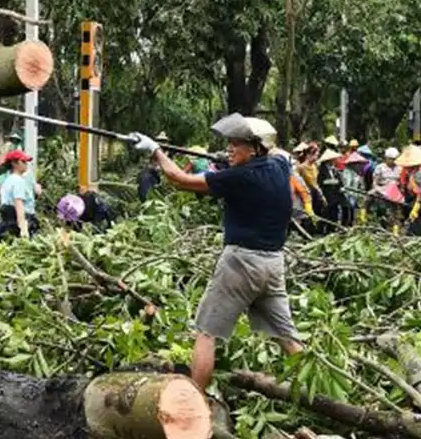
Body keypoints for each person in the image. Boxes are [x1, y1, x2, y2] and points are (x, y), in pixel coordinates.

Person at [132, 114, 303, 391]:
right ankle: (319, 395)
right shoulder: (280, 167)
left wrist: (156, 151)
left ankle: (195, 402)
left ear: (256, 148)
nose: (230, 148)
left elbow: (179, 179)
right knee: (287, 337)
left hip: (240, 265)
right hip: (273, 266)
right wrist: (231, 160)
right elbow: (280, 155)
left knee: (206, 333)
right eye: (229, 143)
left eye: (238, 144)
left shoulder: (241, 177)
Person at [0, 149, 39, 240]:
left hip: (8, 221)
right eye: (23, 161)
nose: (26, 164)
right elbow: (19, 204)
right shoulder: (18, 181)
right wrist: (23, 228)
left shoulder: (8, 181)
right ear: (14, 163)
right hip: (20, 220)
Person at [316, 148, 345, 230]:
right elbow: (320, 182)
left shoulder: (334, 169)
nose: (335, 160)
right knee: (327, 213)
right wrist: (333, 181)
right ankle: (325, 229)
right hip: (327, 194)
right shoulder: (322, 169)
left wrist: (340, 185)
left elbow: (339, 181)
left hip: (335, 195)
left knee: (335, 212)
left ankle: (333, 228)